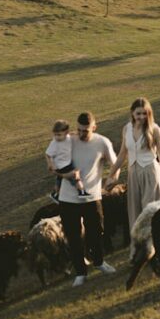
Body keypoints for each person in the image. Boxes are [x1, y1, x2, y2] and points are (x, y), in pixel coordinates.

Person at [56, 111, 117, 287]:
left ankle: (99, 262)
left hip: (92, 197)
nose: (82, 134)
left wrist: (112, 179)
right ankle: (81, 272)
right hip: (68, 199)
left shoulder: (102, 142)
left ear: (94, 127)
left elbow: (115, 165)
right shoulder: (68, 142)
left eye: (86, 131)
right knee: (73, 237)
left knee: (97, 231)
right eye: (79, 130)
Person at [106, 97, 160, 229]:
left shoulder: (155, 130)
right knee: (135, 212)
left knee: (150, 211)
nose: (141, 117)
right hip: (133, 174)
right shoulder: (126, 129)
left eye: (145, 113)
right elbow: (122, 154)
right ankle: (139, 244)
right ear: (132, 113)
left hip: (150, 172)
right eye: (138, 113)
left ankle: (154, 245)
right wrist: (110, 176)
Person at [45, 119, 88, 201]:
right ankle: (82, 192)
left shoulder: (68, 137)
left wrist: (78, 133)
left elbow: (72, 134)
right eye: (55, 135)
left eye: (59, 135)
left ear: (66, 132)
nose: (57, 137)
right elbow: (47, 154)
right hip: (62, 166)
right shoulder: (54, 143)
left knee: (59, 180)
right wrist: (50, 164)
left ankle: (55, 194)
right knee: (75, 177)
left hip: (67, 162)